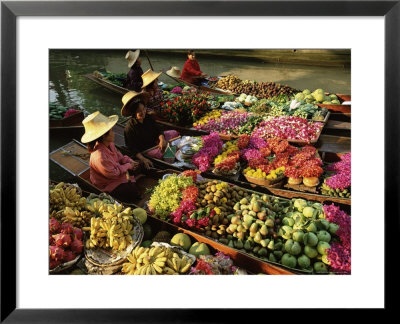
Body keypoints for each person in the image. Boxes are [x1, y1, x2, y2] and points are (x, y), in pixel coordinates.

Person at [81, 111, 141, 203]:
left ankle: (131, 181)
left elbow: (120, 157)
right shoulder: (99, 156)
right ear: (104, 136)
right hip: (107, 182)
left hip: (117, 171)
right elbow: (114, 174)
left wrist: (130, 161)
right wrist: (128, 166)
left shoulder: (110, 144)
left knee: (139, 164)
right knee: (132, 193)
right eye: (111, 131)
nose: (114, 133)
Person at [121, 91, 179, 169]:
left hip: (155, 140)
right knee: (161, 154)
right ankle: (171, 155)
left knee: (174, 133)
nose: (143, 112)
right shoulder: (129, 128)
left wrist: (162, 139)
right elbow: (132, 148)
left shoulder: (148, 117)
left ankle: (170, 150)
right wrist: (143, 159)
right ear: (134, 113)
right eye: (139, 111)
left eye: (143, 109)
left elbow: (158, 129)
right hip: (146, 149)